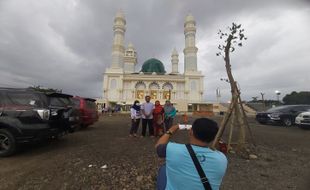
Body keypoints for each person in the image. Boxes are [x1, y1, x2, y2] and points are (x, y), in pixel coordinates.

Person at [155, 118, 227, 190]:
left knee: (164, 168)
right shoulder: (221, 159)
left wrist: (171, 130)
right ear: (213, 137)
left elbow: (158, 147)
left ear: (191, 132)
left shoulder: (173, 149)